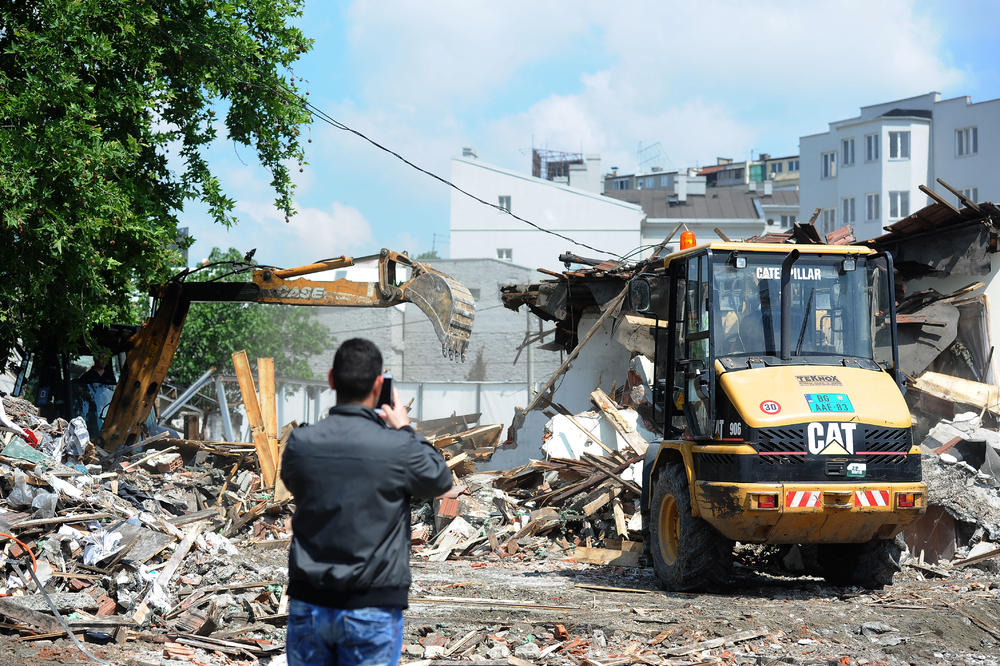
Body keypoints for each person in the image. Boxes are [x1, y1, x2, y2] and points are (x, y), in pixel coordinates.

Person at [280, 338, 452, 666]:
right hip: (372, 606)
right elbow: (440, 480)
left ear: (331, 379)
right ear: (378, 384)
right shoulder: (398, 447)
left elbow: (294, 484)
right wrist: (404, 427)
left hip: (310, 604)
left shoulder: (301, 443)